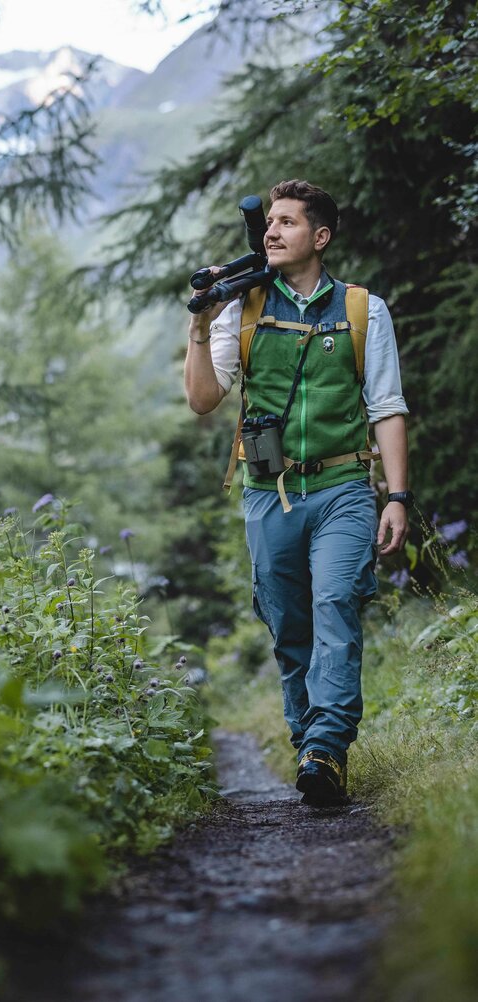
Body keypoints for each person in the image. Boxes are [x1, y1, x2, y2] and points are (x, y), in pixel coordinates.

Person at [185, 179, 411, 806]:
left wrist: (397, 497)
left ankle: (326, 747)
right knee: (288, 627)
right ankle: (308, 740)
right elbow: (204, 400)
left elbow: (387, 407)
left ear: (321, 236)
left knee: (336, 603)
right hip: (267, 494)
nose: (272, 232)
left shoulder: (365, 311)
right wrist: (201, 328)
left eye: (286, 222)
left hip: (342, 486)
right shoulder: (243, 308)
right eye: (269, 223)